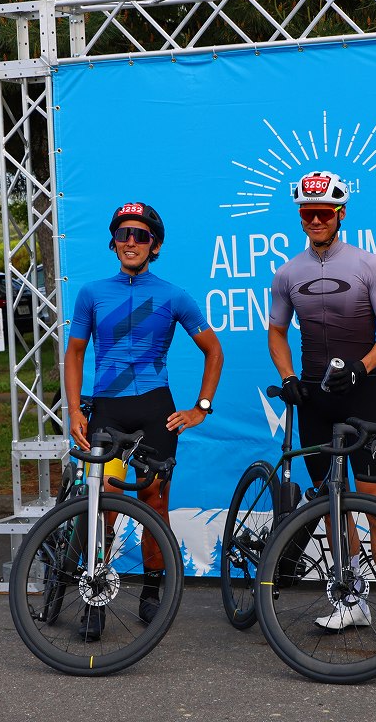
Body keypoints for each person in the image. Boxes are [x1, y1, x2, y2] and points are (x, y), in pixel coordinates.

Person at [64, 202, 223, 640]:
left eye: (141, 235)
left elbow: (214, 350)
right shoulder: (92, 293)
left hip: (155, 412)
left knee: (154, 505)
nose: (131, 242)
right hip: (107, 412)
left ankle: (151, 591)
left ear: (155, 246)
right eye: (123, 234)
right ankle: (95, 597)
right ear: (113, 242)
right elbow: (75, 352)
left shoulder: (173, 295)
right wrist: (75, 409)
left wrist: (201, 407)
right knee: (103, 508)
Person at [268, 170, 376, 640]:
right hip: (313, 398)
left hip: (361, 394)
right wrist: (288, 377)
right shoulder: (288, 272)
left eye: (323, 213)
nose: (315, 220)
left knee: (375, 501)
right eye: (307, 213)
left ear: (341, 214)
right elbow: (276, 331)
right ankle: (351, 602)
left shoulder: (370, 265)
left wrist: (362, 368)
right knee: (331, 506)